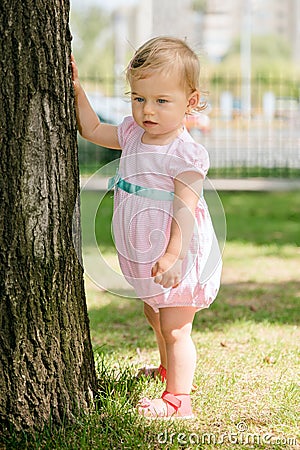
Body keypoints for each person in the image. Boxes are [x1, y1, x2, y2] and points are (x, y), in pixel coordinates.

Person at [71, 36, 222, 419]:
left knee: (175, 328)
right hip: (146, 252)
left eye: (160, 101)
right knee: (154, 315)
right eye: (139, 99)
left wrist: (173, 255)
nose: (147, 110)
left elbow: (185, 210)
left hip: (177, 254)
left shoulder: (184, 153)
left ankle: (179, 401)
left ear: (190, 102)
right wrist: (74, 88)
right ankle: (167, 370)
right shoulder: (133, 135)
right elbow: (90, 128)